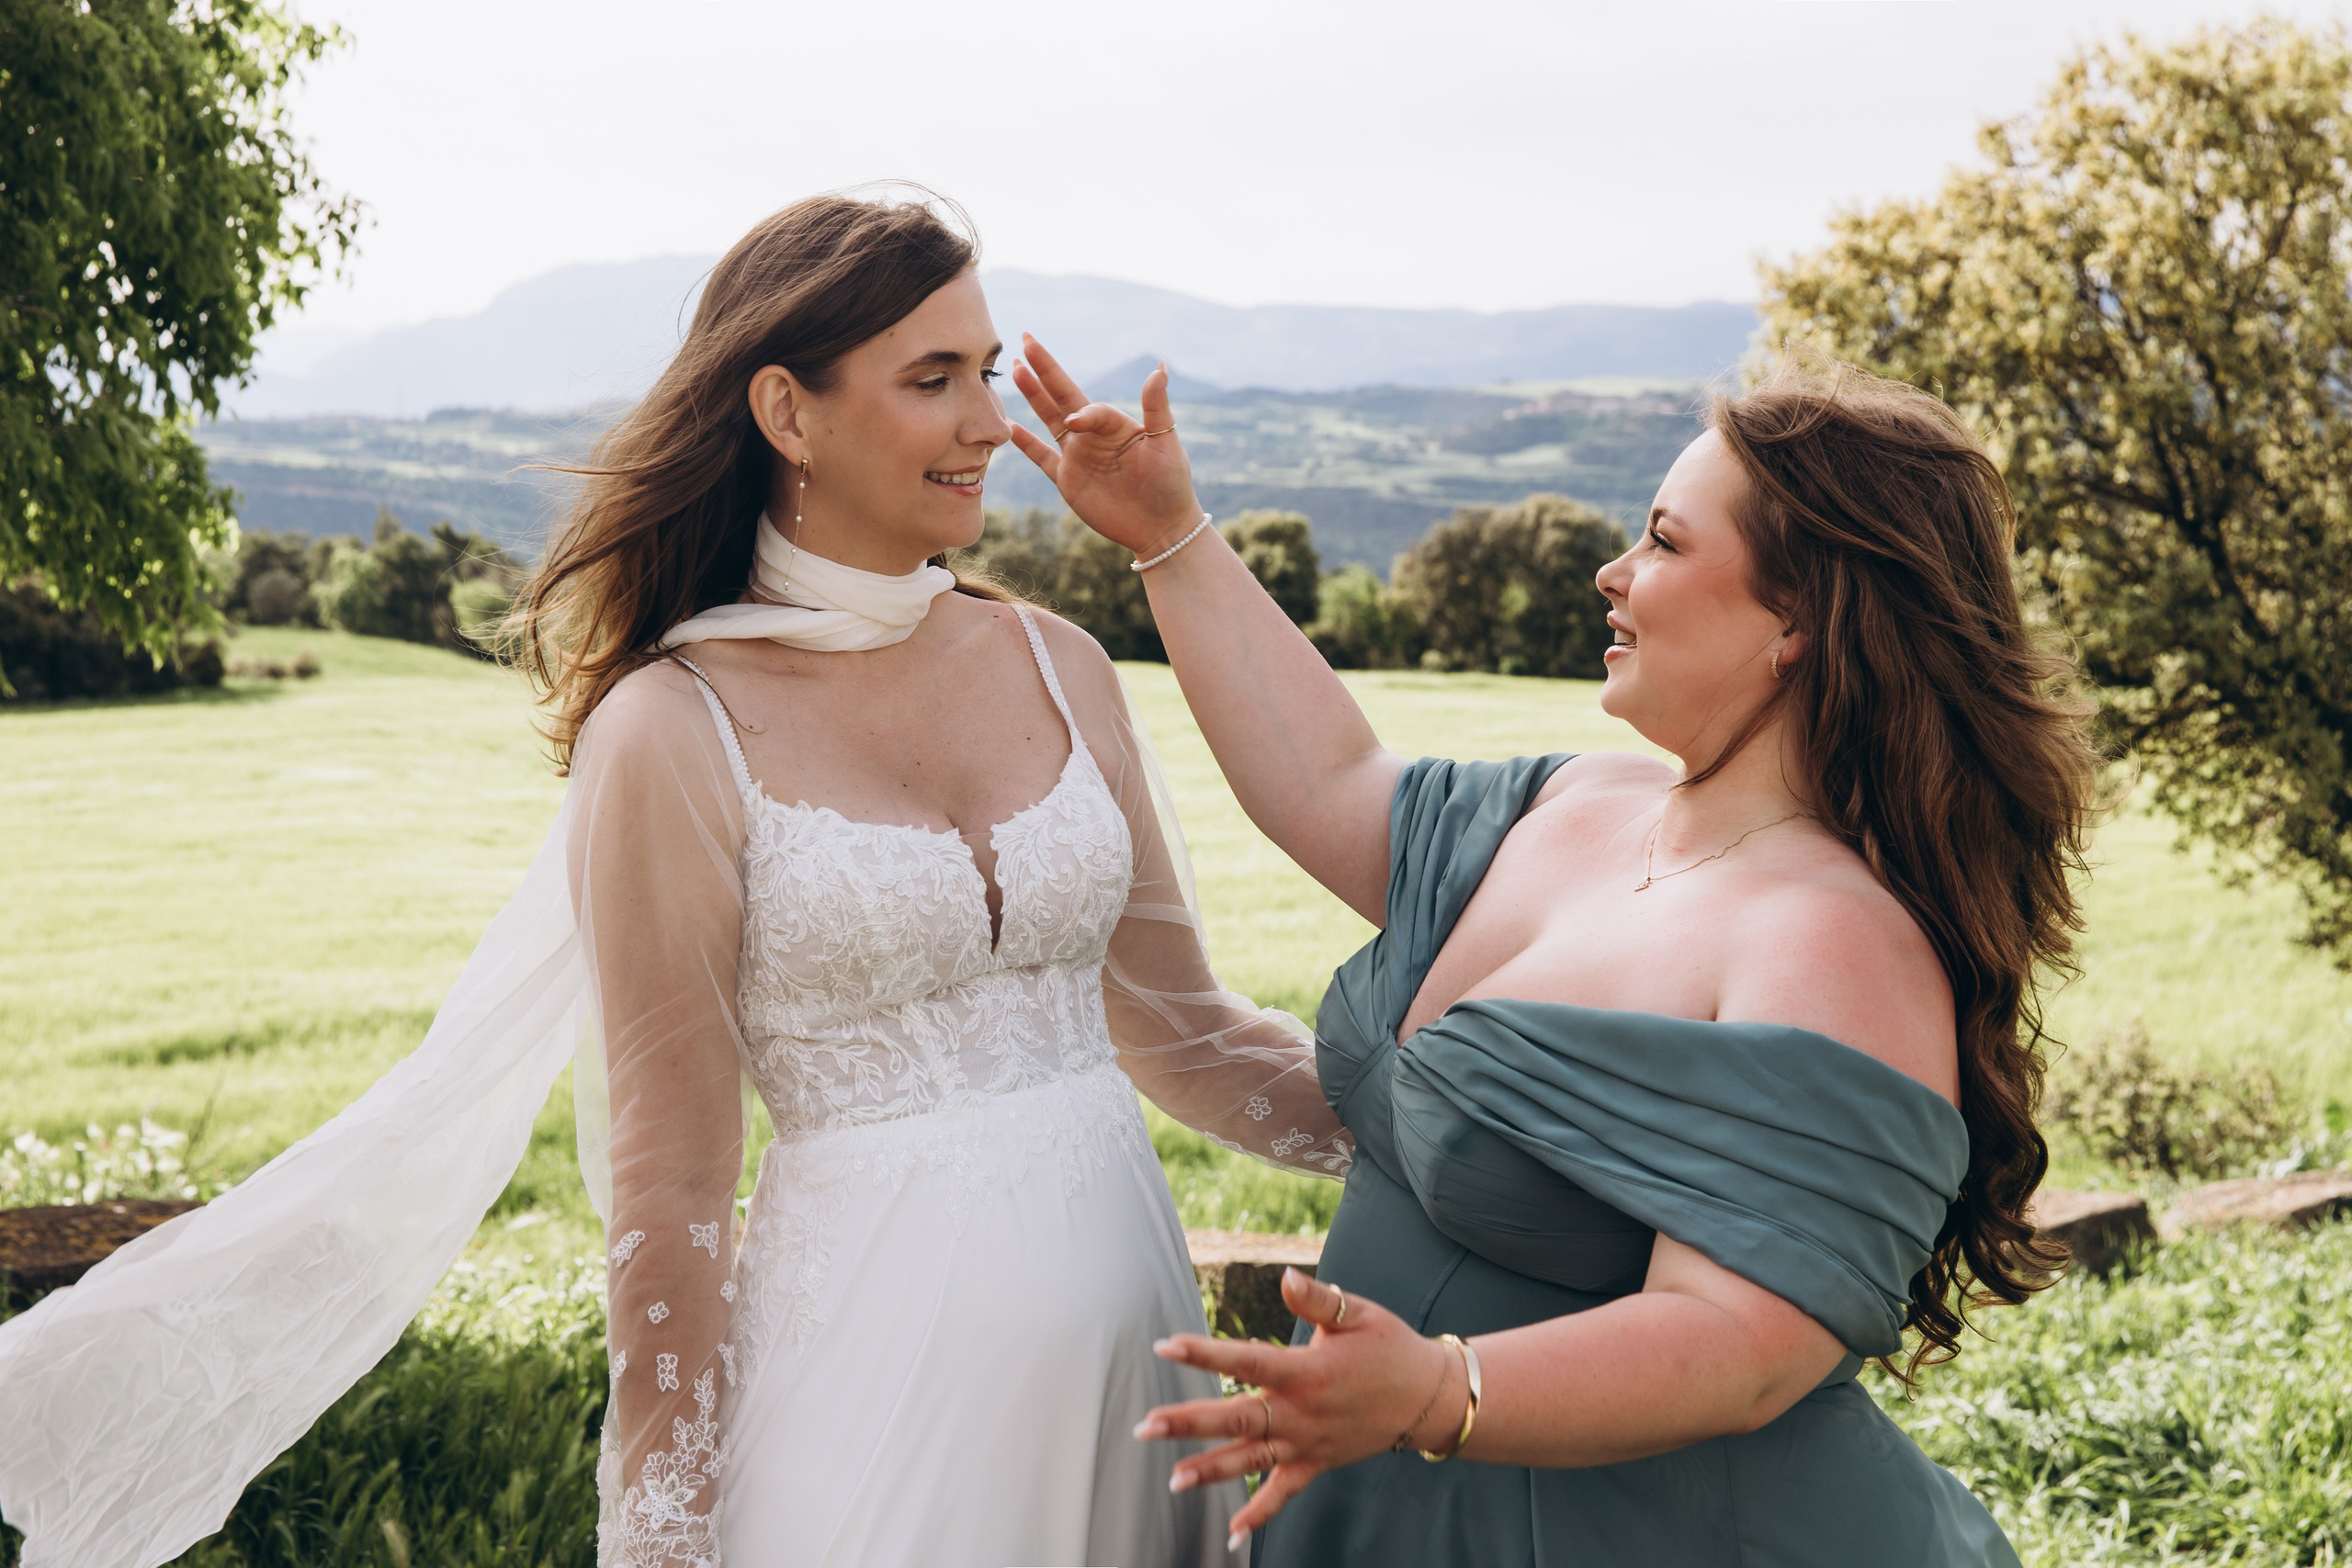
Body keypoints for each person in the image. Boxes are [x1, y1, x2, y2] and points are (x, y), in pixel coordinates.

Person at [0, 190, 1350, 1568]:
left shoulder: (1062, 669)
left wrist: (1450, 1121)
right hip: (871, 1410)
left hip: (1137, 1403)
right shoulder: (671, 729)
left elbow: (1187, 1033)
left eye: (987, 372)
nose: (991, 425)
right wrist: (663, 1533)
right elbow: (674, 1191)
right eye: (933, 379)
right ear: (787, 412)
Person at [1008, 340, 2097, 1565]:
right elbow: (1328, 779)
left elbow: (1741, 1344)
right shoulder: (1579, 799)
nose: (1612, 571)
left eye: (1665, 543)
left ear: (1799, 620)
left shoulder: (1836, 945)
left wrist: (1439, 1391)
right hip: (1388, 1508)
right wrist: (1169, 534)